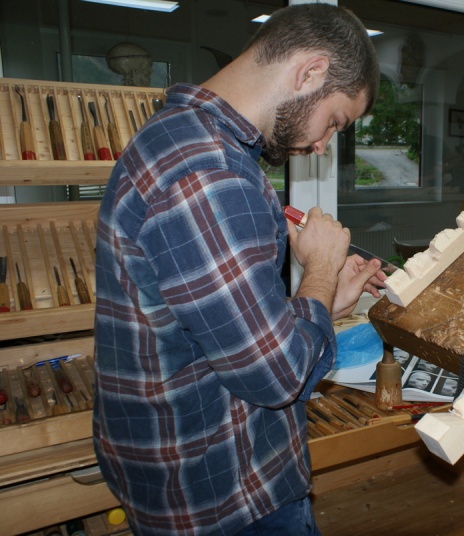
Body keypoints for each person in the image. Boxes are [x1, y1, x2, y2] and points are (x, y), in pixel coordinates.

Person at [92, 5, 383, 535]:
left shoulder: (178, 135)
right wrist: (320, 268)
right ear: (310, 72)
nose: (322, 145)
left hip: (186, 478)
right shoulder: (210, 173)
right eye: (335, 121)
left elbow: (217, 327)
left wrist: (324, 302)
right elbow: (276, 377)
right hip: (224, 494)